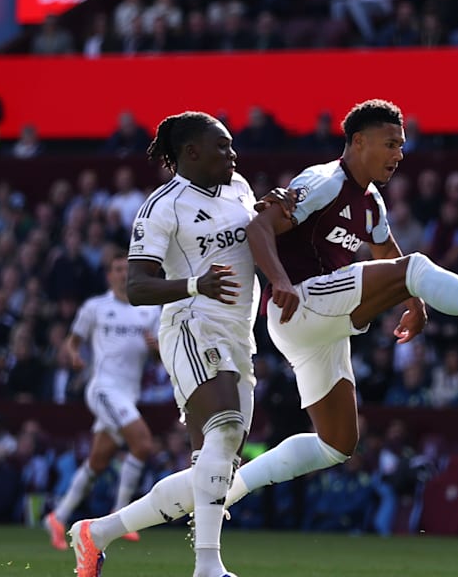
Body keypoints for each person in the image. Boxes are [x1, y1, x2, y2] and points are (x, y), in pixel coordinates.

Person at [222, 99, 458, 510]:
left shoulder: (371, 201)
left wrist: (414, 301)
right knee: (415, 266)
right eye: (390, 144)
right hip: (298, 302)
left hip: (316, 327)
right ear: (358, 142)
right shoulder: (324, 180)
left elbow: (388, 254)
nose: (399, 154)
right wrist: (280, 280)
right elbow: (259, 227)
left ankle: (231, 489)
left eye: (401, 145)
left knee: (337, 444)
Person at [69, 111, 291, 577]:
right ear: (191, 152)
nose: (232, 154)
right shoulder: (162, 206)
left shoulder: (240, 188)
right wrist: (194, 285)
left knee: (214, 472)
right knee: (226, 429)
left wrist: (276, 218)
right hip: (191, 324)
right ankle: (207, 567)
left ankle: (97, 533)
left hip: (238, 335)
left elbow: (253, 243)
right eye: (222, 146)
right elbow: (136, 287)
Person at [43, 255, 161, 550]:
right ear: (109, 276)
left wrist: (156, 348)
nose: (123, 274)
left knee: (97, 462)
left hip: (128, 393)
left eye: (127, 269)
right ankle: (120, 517)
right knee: (143, 444)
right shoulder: (96, 308)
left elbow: (160, 355)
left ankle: (58, 517)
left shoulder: (149, 310)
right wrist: (73, 354)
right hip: (103, 390)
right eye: (117, 270)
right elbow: (74, 340)